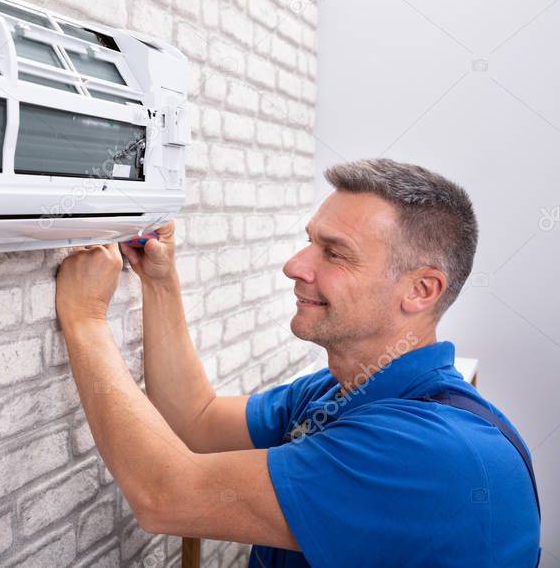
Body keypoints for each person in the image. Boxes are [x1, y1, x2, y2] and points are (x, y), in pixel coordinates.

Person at [55, 158, 540, 566]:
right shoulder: (338, 391)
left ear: (420, 290)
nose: (295, 265)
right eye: (311, 241)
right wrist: (159, 281)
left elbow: (166, 496)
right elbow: (196, 424)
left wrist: (85, 319)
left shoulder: (428, 452)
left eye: (334, 254)